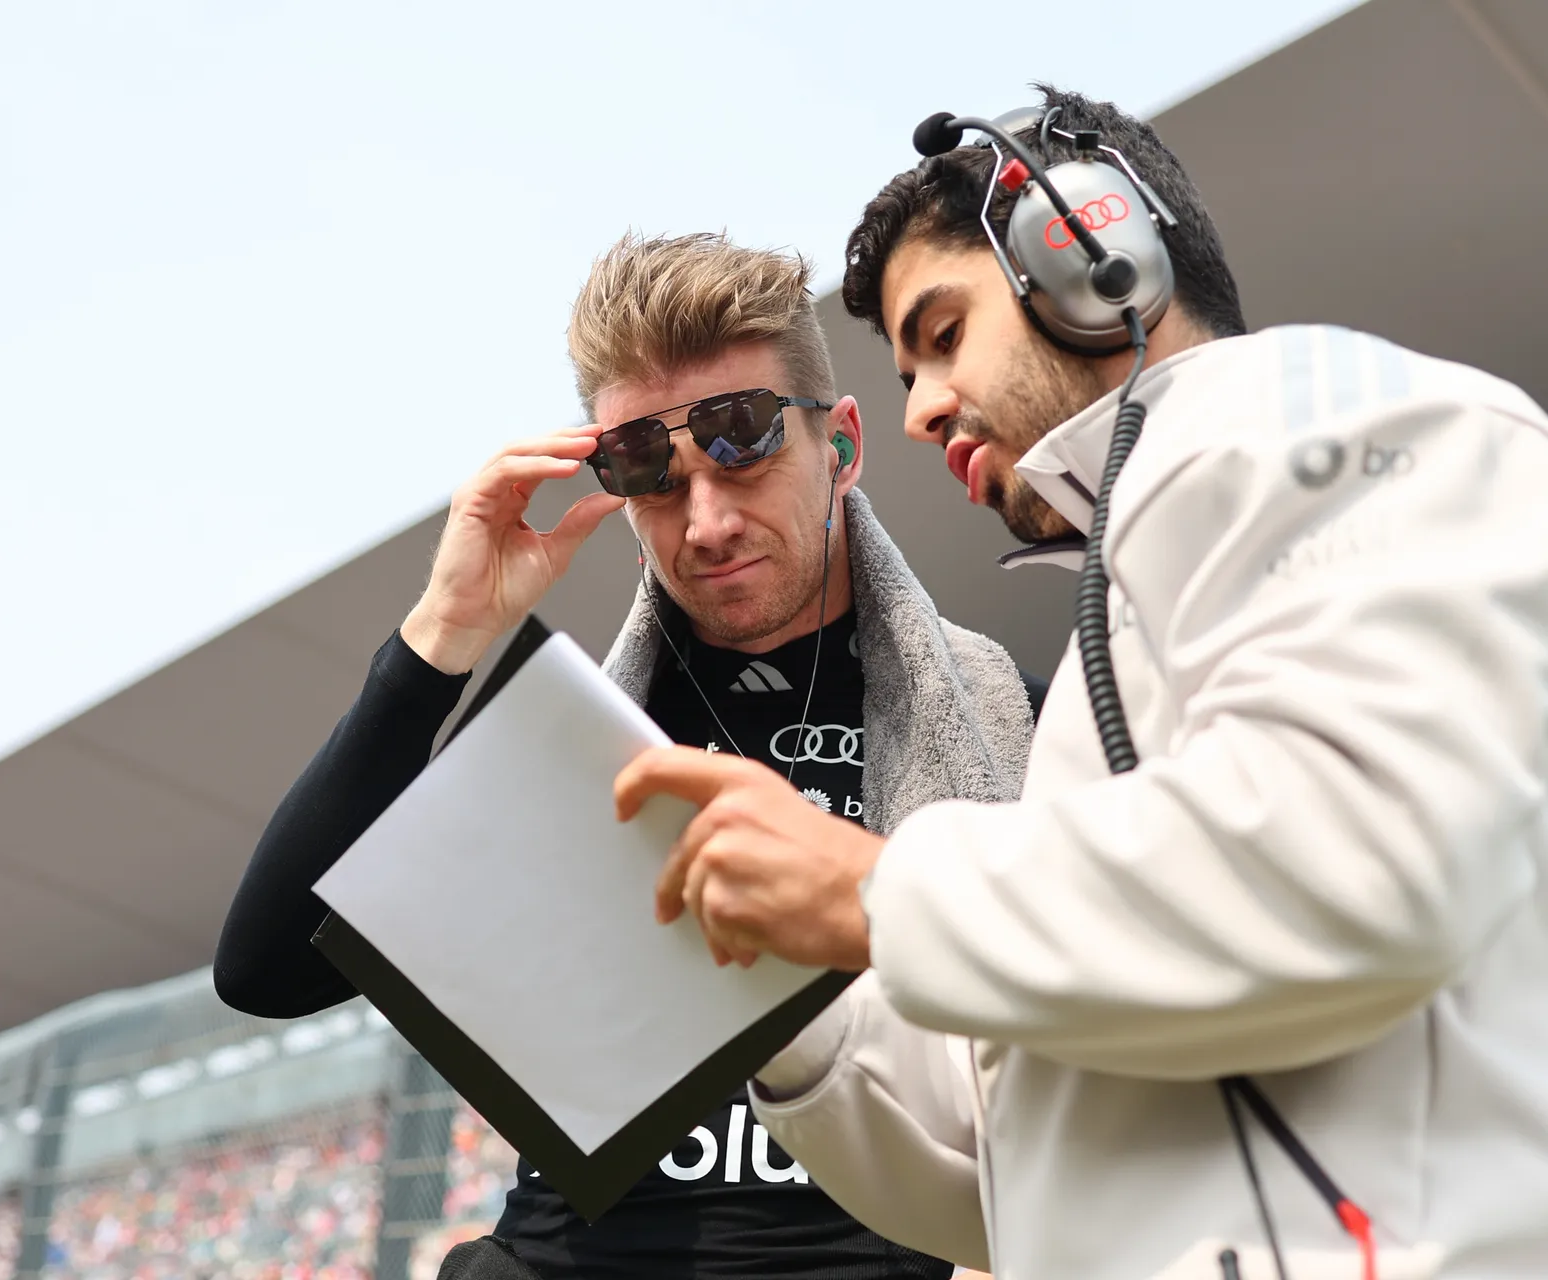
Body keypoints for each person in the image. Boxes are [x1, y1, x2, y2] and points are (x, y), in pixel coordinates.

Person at [612, 87, 1548, 1277]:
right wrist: (785, 998)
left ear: (1095, 255)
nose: (920, 409)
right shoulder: (1101, 661)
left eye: (944, 331)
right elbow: (1001, 1170)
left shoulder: (1340, 412)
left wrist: (876, 885)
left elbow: (1358, 854)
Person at [214, 231, 1040, 1280]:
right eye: (652, 472)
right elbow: (265, 967)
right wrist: (444, 631)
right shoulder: (573, 751)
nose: (705, 521)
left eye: (743, 442)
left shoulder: (1018, 723)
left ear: (841, 444)